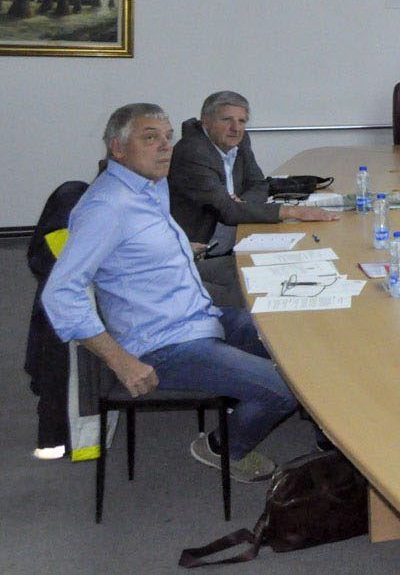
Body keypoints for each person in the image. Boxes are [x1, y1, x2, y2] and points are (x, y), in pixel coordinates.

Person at [42, 103, 298, 482]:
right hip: (162, 345)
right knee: (284, 388)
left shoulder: (148, 185)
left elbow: (132, 249)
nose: (165, 147)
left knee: (294, 340)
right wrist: (121, 361)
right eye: (150, 138)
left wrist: (178, 249)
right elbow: (61, 293)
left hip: (197, 317)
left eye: (167, 138)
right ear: (118, 148)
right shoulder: (106, 207)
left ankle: (324, 434)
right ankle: (222, 448)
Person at [170, 90, 338, 253]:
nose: (236, 128)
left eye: (242, 121)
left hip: (237, 234)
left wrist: (242, 202)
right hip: (203, 250)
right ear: (206, 121)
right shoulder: (192, 152)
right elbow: (226, 211)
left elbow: (259, 184)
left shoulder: (240, 140)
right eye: (227, 120)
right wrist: (292, 211)